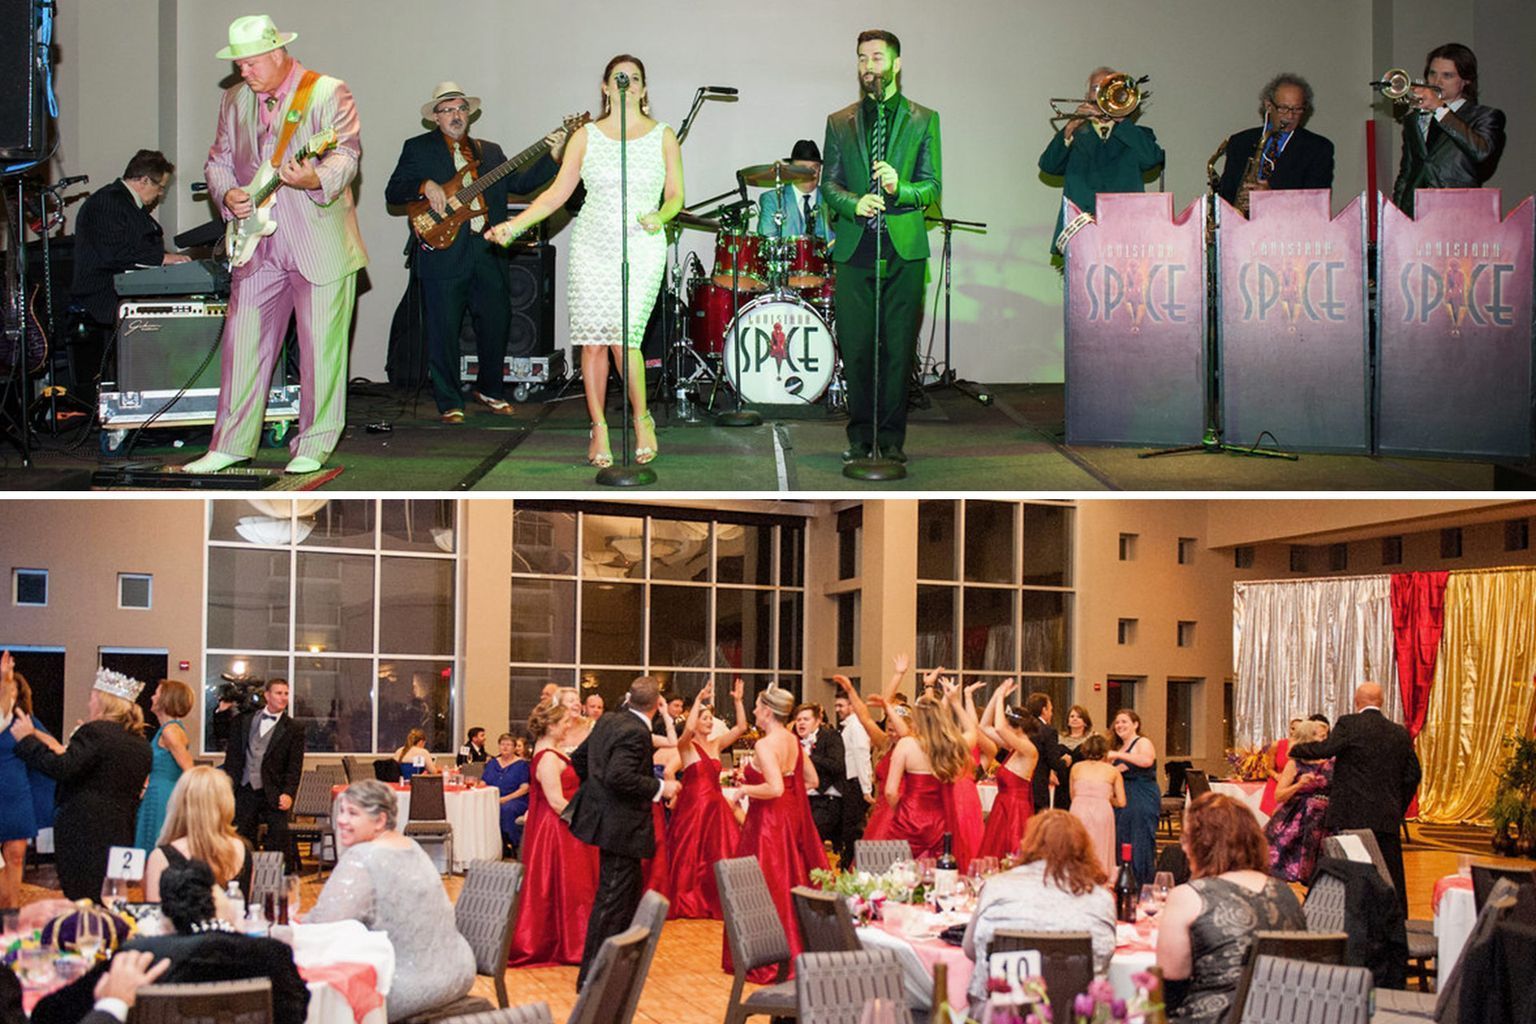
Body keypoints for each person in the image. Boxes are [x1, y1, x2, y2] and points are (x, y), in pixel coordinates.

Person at [184, 14, 367, 475]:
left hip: (318, 239)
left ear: (277, 53)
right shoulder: (233, 99)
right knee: (241, 346)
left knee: (321, 349)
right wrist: (228, 194)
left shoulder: (326, 91)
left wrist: (314, 177)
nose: (243, 72)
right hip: (257, 245)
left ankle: (315, 444)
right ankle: (230, 442)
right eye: (238, 64)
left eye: (249, 63)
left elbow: (346, 154)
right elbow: (218, 160)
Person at [486, 54, 682, 468]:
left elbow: (676, 196)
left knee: (625, 338)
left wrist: (660, 217)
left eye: (634, 77)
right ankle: (598, 427)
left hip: (642, 244)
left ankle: (641, 417)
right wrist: (515, 225)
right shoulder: (586, 136)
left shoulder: (664, 135)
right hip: (594, 242)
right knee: (593, 341)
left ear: (644, 90)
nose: (625, 82)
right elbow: (556, 194)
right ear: (606, 88)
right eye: (617, 77)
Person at [385, 83, 565, 423]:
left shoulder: (489, 152)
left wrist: (553, 156)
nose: (456, 115)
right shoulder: (418, 149)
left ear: (470, 114)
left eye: (461, 109)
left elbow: (522, 185)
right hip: (443, 251)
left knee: (497, 321)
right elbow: (393, 191)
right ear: (435, 117)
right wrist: (425, 185)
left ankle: (490, 389)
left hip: (485, 248)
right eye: (448, 109)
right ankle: (449, 400)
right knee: (444, 328)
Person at [820, 29, 940, 465]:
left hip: (904, 250)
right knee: (856, 349)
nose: (868, 66)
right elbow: (826, 185)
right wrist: (855, 203)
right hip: (854, 251)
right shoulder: (839, 121)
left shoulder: (924, 119)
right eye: (861, 58)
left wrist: (899, 188)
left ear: (896, 63)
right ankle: (859, 437)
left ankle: (890, 441)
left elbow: (932, 187)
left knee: (897, 350)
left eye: (876, 57)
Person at [309, 781, 475, 1022]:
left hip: (405, 988)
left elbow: (323, 927)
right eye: (341, 811)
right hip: (457, 970)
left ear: (379, 820)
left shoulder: (362, 858)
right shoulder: (413, 847)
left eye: (353, 813)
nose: (341, 821)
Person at [566, 676, 680, 988]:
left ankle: (616, 971)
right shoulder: (636, 731)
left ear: (630, 698)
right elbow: (620, 777)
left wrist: (599, 798)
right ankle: (593, 978)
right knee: (613, 901)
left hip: (610, 823)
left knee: (625, 898)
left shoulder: (607, 722)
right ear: (658, 705)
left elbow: (579, 760)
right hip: (622, 828)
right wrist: (662, 786)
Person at [1157, 793, 1306, 1024]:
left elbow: (1170, 986)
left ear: (1203, 844)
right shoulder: (1287, 894)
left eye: (1186, 838)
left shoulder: (1190, 896)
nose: (1183, 848)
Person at [10, 668, 152, 900]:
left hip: (85, 832)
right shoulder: (140, 742)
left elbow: (62, 769)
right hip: (122, 830)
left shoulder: (95, 732)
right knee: (113, 894)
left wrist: (27, 741)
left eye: (92, 697)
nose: (89, 703)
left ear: (103, 702)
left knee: (83, 896)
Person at [962, 811, 1116, 1019]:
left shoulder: (997, 886)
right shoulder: (1102, 899)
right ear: (1083, 849)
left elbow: (970, 949)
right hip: (1075, 1016)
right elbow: (1104, 958)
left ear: (1029, 843)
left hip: (1001, 1015)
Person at [1288, 680, 1421, 914]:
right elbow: (1413, 774)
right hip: (1386, 815)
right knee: (1392, 872)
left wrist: (1295, 749)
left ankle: (1348, 917)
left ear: (1356, 701)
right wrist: (1397, 804)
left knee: (1348, 868)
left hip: (1352, 813)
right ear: (1381, 702)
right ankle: (1398, 920)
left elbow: (1325, 750)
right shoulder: (1399, 732)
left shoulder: (1349, 724)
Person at [724, 685, 828, 982]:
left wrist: (743, 789)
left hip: (767, 824)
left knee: (767, 885)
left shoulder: (765, 745)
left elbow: (774, 788)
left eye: (757, 706)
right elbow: (811, 780)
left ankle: (769, 953)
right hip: (788, 819)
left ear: (768, 711)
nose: (755, 711)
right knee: (788, 880)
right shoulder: (793, 740)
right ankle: (795, 945)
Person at [509, 700, 599, 967]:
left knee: (571, 886)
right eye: (562, 723)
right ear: (550, 726)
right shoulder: (547, 756)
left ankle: (575, 941)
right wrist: (586, 820)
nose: (567, 726)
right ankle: (571, 944)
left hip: (562, 824)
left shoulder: (550, 749)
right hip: (558, 828)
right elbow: (556, 801)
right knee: (568, 885)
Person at [1038, 66, 1164, 256]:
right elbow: (1048, 165)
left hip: (1125, 235)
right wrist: (1071, 125)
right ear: (1087, 95)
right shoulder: (1076, 134)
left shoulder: (1137, 135)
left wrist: (1122, 120)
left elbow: (1153, 159)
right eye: (1096, 88)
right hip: (1081, 233)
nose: (1101, 93)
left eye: (1108, 87)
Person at [69, 150, 191, 330]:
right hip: (103, 301)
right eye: (161, 187)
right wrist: (162, 258)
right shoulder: (106, 202)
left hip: (122, 295)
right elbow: (115, 253)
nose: (160, 194)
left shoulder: (126, 204)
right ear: (145, 180)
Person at [1391, 43, 1506, 216]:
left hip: (1458, 212)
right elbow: (1406, 172)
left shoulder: (1485, 116)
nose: (1437, 82)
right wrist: (1396, 214)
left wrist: (1440, 110)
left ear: (1466, 80)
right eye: (1432, 73)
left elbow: (1481, 152)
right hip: (1415, 212)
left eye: (1447, 75)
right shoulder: (1413, 119)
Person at [664, 681, 747, 919]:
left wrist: (738, 701)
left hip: (715, 806)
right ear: (695, 721)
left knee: (720, 851)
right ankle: (689, 900)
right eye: (705, 718)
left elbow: (741, 727)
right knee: (690, 854)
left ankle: (718, 898)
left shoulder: (716, 744)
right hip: (693, 808)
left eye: (711, 719)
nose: (710, 722)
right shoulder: (686, 747)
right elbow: (687, 731)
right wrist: (698, 699)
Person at [883, 694, 980, 870]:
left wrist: (900, 810)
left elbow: (890, 791)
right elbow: (973, 732)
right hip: (940, 819)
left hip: (908, 816)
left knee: (895, 874)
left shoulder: (906, 744)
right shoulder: (951, 746)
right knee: (940, 873)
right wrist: (955, 701)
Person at [220, 678, 307, 867]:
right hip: (244, 788)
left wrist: (289, 793)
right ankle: (241, 878)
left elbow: (295, 766)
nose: (283, 697)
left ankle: (274, 883)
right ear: (267, 695)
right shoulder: (244, 720)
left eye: (286, 693)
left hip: (274, 791)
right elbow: (227, 746)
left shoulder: (294, 728)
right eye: (278, 693)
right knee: (242, 838)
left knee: (277, 840)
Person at [1216, 74, 1335, 210]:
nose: (1290, 116)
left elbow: (1316, 204)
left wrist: (1272, 198)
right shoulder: (1240, 142)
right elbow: (1226, 194)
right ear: (1268, 105)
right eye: (1283, 108)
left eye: (1297, 109)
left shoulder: (1319, 148)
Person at [142, 765, 253, 902]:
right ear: (226, 803)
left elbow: (155, 918)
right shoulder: (243, 849)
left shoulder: (161, 857)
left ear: (178, 803)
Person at [0, 652, 55, 909]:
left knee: (16, 857)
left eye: (13, 690)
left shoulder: (25, 721)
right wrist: (4, 676)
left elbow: (56, 748)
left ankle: (11, 914)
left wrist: (34, 733)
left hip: (16, 793)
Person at [1263, 720, 1333, 882]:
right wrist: (1299, 785)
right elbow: (1279, 795)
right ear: (1308, 739)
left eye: (1325, 736)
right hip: (1298, 821)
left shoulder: (1331, 763)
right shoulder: (1295, 764)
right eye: (1320, 736)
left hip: (1325, 821)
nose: (1324, 740)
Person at [976, 681, 1038, 860]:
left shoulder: (1028, 749)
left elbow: (999, 728)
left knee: (1010, 854)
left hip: (1016, 810)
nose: (1005, 730)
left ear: (1018, 729)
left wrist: (1001, 698)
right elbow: (984, 727)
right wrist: (996, 695)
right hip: (1002, 806)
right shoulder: (1014, 747)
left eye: (1009, 726)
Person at [134, 678, 195, 853]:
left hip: (164, 796)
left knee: (156, 846)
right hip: (157, 791)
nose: (152, 698)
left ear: (166, 700)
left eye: (157, 694)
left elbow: (189, 769)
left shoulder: (170, 732)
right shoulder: (168, 729)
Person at [1107, 708, 1160, 885]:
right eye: (1117, 722)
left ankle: (1141, 885)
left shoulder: (1142, 742)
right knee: (1122, 840)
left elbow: (1146, 761)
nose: (1119, 725)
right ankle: (1125, 884)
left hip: (1141, 796)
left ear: (1135, 724)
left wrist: (1117, 755)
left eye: (1124, 721)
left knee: (1140, 840)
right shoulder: (1117, 748)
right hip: (1122, 800)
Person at [1068, 733, 1124, 876]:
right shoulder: (1112, 771)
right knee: (1101, 848)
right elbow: (1122, 802)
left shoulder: (1076, 768)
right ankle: (1101, 880)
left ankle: (1076, 879)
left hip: (1078, 809)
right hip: (1102, 811)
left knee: (1078, 848)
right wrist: (1108, 798)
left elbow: (1072, 794)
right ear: (1105, 751)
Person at [756, 139, 834, 243]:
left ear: (820, 170)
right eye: (802, 169)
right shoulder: (773, 200)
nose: (809, 174)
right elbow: (767, 241)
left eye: (814, 168)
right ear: (791, 170)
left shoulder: (830, 198)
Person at [795, 702, 847, 849]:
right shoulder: (795, 742)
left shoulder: (830, 736)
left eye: (806, 719)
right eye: (798, 720)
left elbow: (837, 765)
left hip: (826, 799)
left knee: (811, 842)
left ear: (818, 721)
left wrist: (809, 756)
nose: (801, 723)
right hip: (805, 798)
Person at [834, 683, 873, 865]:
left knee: (853, 829)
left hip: (855, 784)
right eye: (836, 706)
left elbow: (861, 756)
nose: (837, 709)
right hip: (852, 783)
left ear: (852, 706)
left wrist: (866, 789)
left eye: (841, 705)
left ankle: (850, 864)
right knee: (849, 828)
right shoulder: (849, 726)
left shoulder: (856, 727)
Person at [481, 732, 530, 857]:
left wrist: (505, 799)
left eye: (508, 745)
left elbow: (525, 788)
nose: (505, 747)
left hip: (515, 799)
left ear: (514, 748)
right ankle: (488, 846)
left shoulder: (522, 765)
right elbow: (483, 782)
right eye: (502, 744)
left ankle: (511, 843)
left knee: (506, 809)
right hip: (492, 798)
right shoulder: (492, 763)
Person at [1025, 691, 1072, 812]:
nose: (1051, 713)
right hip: (1038, 786)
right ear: (1044, 710)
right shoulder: (1048, 731)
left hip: (1022, 782)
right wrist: (1065, 761)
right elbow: (1054, 762)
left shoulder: (1024, 728)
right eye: (1051, 710)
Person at [1258, 718, 1301, 818]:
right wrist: (1276, 775)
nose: (1293, 732)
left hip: (1294, 786)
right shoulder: (1277, 745)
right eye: (1292, 728)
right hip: (1276, 785)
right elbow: (1268, 768)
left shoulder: (1307, 747)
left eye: (1298, 729)